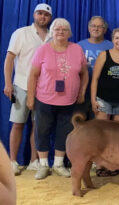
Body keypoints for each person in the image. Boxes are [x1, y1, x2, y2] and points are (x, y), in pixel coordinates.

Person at [27, 18, 88, 180]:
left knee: (65, 132)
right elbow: (33, 75)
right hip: (44, 99)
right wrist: (30, 97)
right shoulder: (42, 50)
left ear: (70, 33)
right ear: (51, 32)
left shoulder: (77, 49)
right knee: (42, 131)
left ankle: (59, 164)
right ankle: (43, 165)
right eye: (57, 29)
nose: (60, 32)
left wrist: (82, 92)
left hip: (69, 101)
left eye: (64, 29)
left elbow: (84, 73)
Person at [3, 3, 52, 175]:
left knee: (38, 126)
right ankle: (12, 161)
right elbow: (9, 59)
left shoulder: (53, 36)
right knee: (18, 124)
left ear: (50, 18)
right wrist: (8, 83)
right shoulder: (21, 33)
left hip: (44, 89)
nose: (42, 17)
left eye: (46, 15)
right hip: (22, 85)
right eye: (39, 13)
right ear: (34, 15)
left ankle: (33, 161)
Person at [91, 28, 119, 176]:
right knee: (101, 134)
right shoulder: (104, 55)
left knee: (117, 135)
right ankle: (99, 164)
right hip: (103, 100)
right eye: (117, 38)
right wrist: (93, 99)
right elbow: (94, 79)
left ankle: (113, 165)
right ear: (113, 40)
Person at [76, 16, 113, 120]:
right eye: (93, 26)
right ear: (89, 28)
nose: (96, 29)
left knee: (98, 130)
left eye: (99, 27)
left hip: (102, 95)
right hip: (81, 93)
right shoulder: (79, 46)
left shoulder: (111, 46)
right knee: (80, 127)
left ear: (105, 30)